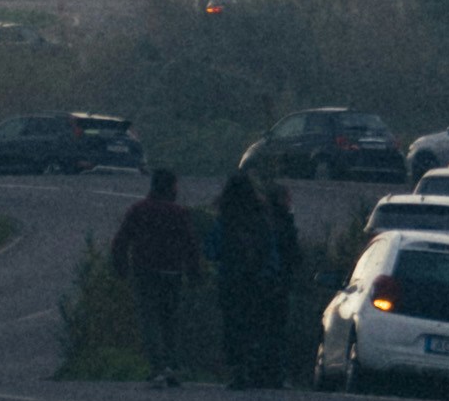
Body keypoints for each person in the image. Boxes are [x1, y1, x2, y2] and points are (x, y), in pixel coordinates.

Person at [112, 163, 207, 385]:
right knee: (170, 320)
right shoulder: (179, 213)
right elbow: (190, 245)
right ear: (170, 188)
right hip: (172, 272)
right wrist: (194, 272)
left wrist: (121, 267)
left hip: (144, 271)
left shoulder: (138, 209)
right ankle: (172, 364)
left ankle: (158, 366)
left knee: (149, 320)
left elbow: (121, 241)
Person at [211, 163, 276, 389]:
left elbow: (213, 249)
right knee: (254, 323)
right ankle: (253, 365)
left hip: (230, 280)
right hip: (256, 280)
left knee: (232, 324)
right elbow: (271, 250)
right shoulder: (261, 218)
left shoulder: (225, 219)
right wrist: (267, 273)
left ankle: (237, 369)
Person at [258, 168, 307, 387]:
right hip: (279, 282)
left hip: (262, 281)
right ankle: (275, 373)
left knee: (262, 327)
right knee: (277, 329)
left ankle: (261, 371)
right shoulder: (284, 223)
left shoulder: (261, 221)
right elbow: (293, 254)